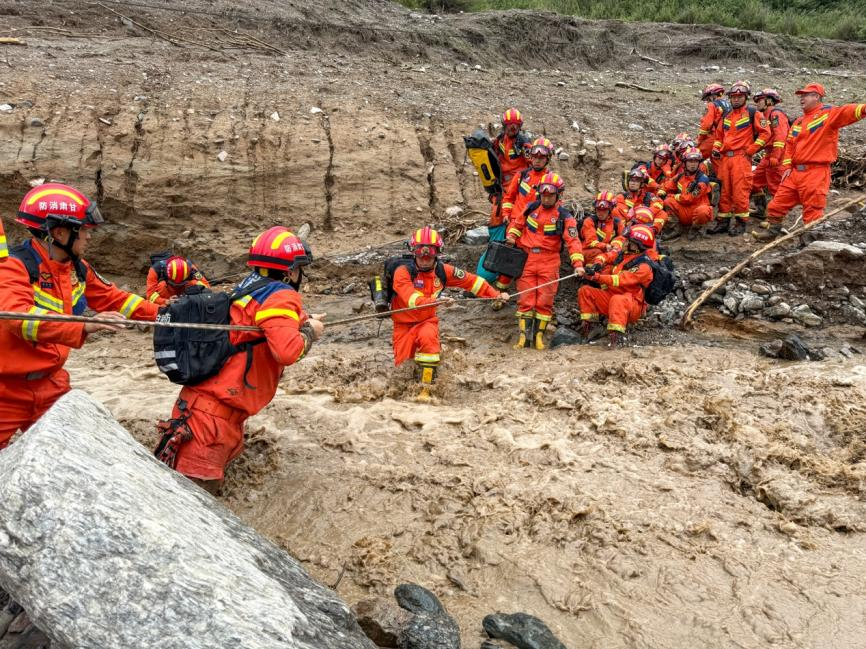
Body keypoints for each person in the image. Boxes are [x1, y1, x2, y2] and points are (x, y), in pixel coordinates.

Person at [155, 226, 324, 493]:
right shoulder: (282, 295)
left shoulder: (248, 289)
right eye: (299, 269)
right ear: (291, 271)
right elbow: (288, 351)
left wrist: (301, 320)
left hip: (202, 412)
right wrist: (310, 332)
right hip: (210, 424)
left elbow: (258, 323)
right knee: (193, 509)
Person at [0, 183, 157, 449]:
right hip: (5, 391)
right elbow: (17, 318)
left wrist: (166, 313)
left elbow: (118, 300)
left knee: (74, 452)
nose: (89, 236)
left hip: (52, 384)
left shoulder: (76, 268)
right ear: (59, 233)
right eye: (84, 230)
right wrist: (83, 326)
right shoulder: (13, 267)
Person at [392, 226, 507, 401]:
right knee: (402, 368)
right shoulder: (402, 272)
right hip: (403, 325)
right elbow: (413, 301)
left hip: (427, 320)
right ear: (413, 251)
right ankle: (406, 391)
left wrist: (496, 295)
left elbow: (473, 282)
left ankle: (426, 390)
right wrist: (438, 301)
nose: (424, 256)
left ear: (437, 252)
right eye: (420, 251)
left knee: (429, 340)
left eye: (429, 252)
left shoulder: (443, 271)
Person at [755, 83, 866, 241]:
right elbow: (790, 145)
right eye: (801, 95)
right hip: (795, 172)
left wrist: (863, 109)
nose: (801, 98)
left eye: (805, 95)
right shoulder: (799, 121)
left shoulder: (827, 114)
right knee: (776, 204)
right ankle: (772, 232)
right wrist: (786, 165)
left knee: (812, 210)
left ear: (816, 97)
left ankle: (809, 243)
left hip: (816, 172)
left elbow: (847, 111)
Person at [505, 172, 584, 350]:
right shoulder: (531, 208)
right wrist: (511, 236)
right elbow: (517, 225)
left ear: (558, 195)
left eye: (550, 195)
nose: (546, 198)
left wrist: (578, 265)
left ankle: (538, 338)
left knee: (544, 301)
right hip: (527, 258)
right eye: (544, 195)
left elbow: (573, 242)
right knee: (526, 299)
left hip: (550, 260)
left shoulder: (565, 217)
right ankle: (523, 338)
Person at [491, 136, 555, 294]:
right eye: (535, 157)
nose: (537, 160)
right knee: (509, 260)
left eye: (541, 157)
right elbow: (509, 197)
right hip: (515, 225)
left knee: (529, 263)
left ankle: (526, 294)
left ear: (548, 159)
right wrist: (506, 213)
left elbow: (554, 208)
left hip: (534, 230)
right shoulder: (521, 175)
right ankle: (500, 294)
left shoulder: (550, 181)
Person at [708, 81, 771, 236]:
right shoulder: (726, 115)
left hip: (741, 159)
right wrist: (716, 148)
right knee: (725, 192)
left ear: (745, 97)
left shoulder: (753, 113)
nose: (736, 99)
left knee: (740, 192)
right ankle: (723, 222)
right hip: (725, 159)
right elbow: (719, 136)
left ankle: (741, 223)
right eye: (733, 96)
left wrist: (751, 150)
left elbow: (766, 133)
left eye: (739, 96)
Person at [476, 108, 532, 284]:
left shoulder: (523, 145)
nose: (512, 128)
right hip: (502, 190)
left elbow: (535, 165)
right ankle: (492, 270)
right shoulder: (500, 141)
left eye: (515, 126)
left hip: (518, 190)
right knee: (497, 222)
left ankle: (498, 274)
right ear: (504, 125)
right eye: (509, 125)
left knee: (511, 227)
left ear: (520, 126)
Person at [578, 224, 656, 348]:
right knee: (585, 291)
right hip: (613, 296)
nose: (624, 242)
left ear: (636, 245)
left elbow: (619, 280)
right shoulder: (623, 255)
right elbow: (606, 256)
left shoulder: (644, 266)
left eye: (628, 241)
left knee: (617, 300)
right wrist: (597, 264)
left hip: (631, 303)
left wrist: (596, 277)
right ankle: (589, 328)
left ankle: (616, 339)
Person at [750, 88, 790, 222]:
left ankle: (776, 220)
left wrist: (776, 156)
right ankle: (761, 210)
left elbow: (781, 136)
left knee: (776, 187)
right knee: (754, 181)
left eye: (760, 100)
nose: (757, 103)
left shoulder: (775, 114)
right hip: (769, 155)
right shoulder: (764, 116)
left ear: (769, 100)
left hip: (779, 156)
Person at [663, 146, 714, 239]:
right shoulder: (680, 176)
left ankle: (696, 229)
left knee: (703, 211)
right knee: (667, 201)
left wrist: (673, 196)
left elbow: (689, 199)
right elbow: (667, 185)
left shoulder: (703, 179)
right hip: (683, 210)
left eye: (695, 161)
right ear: (685, 162)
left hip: (697, 210)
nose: (693, 164)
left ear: (699, 163)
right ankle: (676, 229)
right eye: (690, 161)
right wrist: (660, 191)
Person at [614, 167, 667, 235]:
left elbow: (658, 203)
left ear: (642, 184)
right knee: (615, 211)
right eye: (631, 180)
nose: (632, 183)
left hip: (645, 224)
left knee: (662, 213)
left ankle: (653, 232)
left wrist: (646, 213)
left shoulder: (649, 196)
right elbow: (624, 213)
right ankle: (623, 234)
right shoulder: (621, 197)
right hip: (628, 226)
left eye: (636, 181)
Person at [146, 255, 210, 306]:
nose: (177, 286)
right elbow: (150, 296)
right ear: (166, 274)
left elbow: (207, 286)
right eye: (174, 284)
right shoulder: (155, 270)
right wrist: (166, 301)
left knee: (194, 283)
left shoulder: (191, 268)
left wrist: (195, 290)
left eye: (180, 283)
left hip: (185, 291)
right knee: (161, 285)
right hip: (166, 295)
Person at [580, 191, 624, 265]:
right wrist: (605, 246)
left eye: (604, 210)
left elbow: (622, 238)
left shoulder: (617, 222)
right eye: (598, 209)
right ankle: (589, 273)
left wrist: (615, 245)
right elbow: (590, 242)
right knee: (597, 253)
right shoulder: (589, 221)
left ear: (610, 210)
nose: (600, 213)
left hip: (607, 251)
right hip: (587, 252)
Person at [696, 83, 730, 158]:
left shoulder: (712, 105)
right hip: (727, 137)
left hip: (715, 137)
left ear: (712, 95)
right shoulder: (728, 105)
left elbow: (706, 125)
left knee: (695, 155)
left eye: (708, 98)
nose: (708, 101)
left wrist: (699, 140)